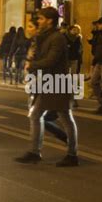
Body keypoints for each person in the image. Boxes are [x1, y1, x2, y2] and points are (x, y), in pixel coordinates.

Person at [16, 6, 78, 167]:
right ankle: (34, 152)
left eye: (42, 19)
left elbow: (51, 60)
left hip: (57, 82)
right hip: (47, 82)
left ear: (50, 21)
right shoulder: (45, 36)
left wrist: (32, 65)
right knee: (36, 115)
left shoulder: (57, 38)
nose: (39, 21)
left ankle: (72, 155)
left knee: (65, 117)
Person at [24, 16, 68, 146]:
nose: (28, 29)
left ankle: (65, 140)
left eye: (31, 26)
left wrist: (32, 67)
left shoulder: (43, 41)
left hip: (45, 81)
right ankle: (37, 149)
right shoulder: (35, 41)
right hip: (37, 80)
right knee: (36, 115)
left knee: (38, 114)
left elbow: (47, 61)